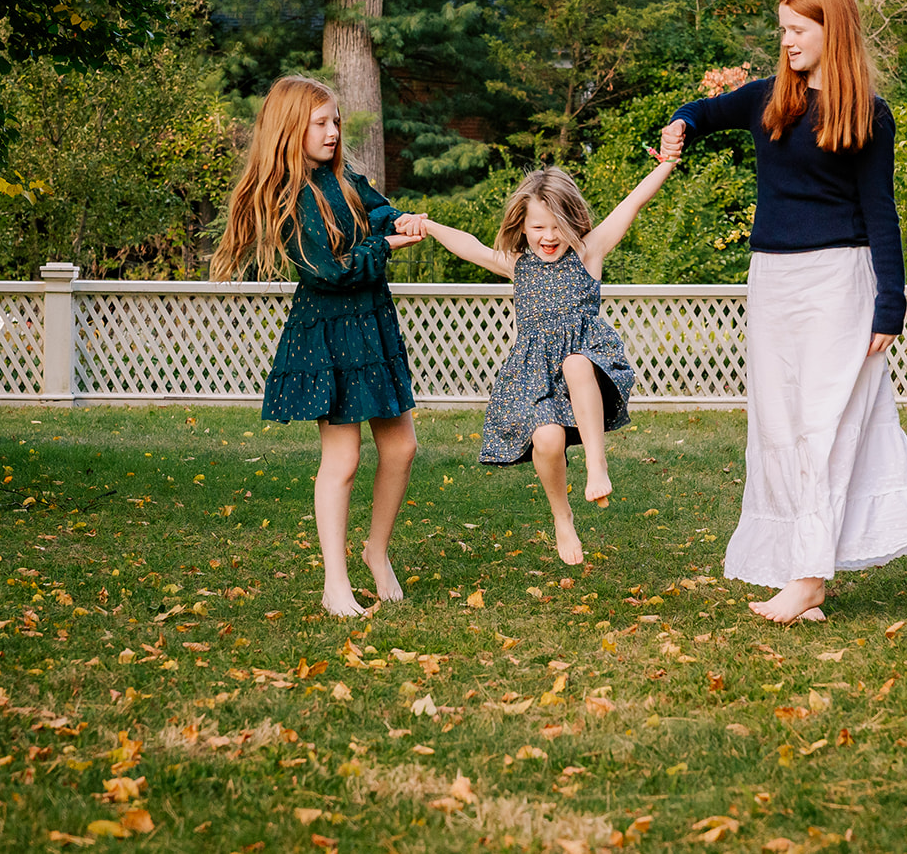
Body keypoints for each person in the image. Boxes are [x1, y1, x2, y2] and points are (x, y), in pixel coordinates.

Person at [660, 0, 907, 624]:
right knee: (781, 426)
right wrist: (679, 124)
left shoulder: (868, 113)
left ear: (830, 31)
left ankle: (810, 580)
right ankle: (798, 568)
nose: (784, 40)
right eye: (782, 28)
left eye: (796, 30)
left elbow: (881, 212)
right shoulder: (767, 100)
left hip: (840, 283)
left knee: (827, 425)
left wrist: (890, 304)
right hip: (773, 283)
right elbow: (704, 113)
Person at [395, 146, 680, 565]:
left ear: (574, 223)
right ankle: (562, 518)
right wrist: (430, 225)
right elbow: (469, 245)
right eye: (538, 227)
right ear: (523, 226)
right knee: (546, 440)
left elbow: (632, 202)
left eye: (557, 227)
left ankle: (597, 466)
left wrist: (668, 164)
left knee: (575, 362)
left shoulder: (589, 252)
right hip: (536, 377)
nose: (548, 237)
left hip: (589, 367)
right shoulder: (519, 265)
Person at [210, 75, 423, 618]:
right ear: (290, 129)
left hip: (370, 326)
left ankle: (376, 551)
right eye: (320, 123)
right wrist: (388, 243)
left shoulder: (342, 178)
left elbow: (376, 209)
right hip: (327, 333)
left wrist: (399, 220)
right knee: (344, 458)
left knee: (401, 449)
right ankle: (335, 582)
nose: (332, 132)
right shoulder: (289, 199)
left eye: (335, 122)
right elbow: (331, 271)